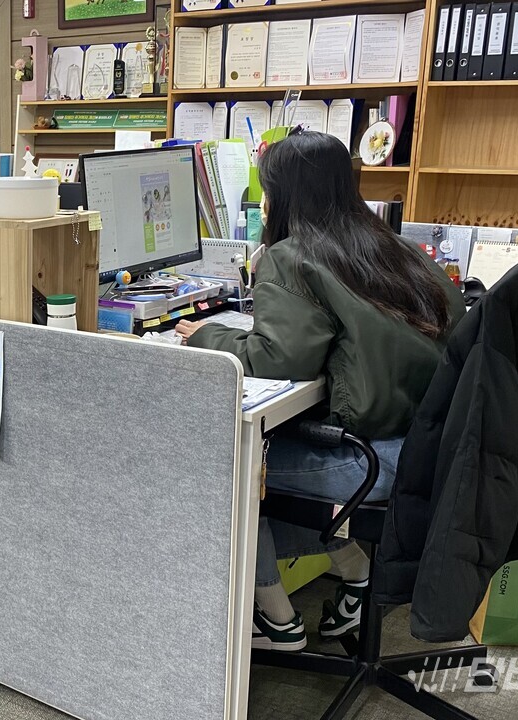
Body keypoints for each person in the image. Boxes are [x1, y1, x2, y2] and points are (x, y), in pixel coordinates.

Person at [176, 131, 465, 652]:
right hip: (428, 450)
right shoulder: (395, 249)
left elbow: (276, 360)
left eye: (266, 190)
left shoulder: (293, 258)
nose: (262, 203)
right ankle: (357, 578)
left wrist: (207, 334)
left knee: (219, 462)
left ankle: (277, 620)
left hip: (370, 461)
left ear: (285, 195)